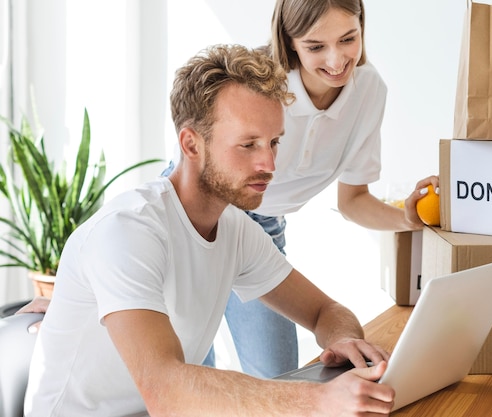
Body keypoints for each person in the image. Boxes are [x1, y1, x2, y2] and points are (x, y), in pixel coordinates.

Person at [23, 44, 395, 417]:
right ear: (191, 144)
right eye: (248, 144)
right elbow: (168, 391)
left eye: (274, 142)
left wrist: (344, 339)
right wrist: (317, 400)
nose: (268, 163)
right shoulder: (128, 232)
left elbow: (324, 311)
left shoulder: (233, 229)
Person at [190, 0, 439, 378]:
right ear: (289, 41)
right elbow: (199, 166)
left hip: (264, 228)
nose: (337, 60)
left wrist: (410, 220)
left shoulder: (368, 91)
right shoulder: (254, 83)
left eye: (348, 38)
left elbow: (353, 200)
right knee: (189, 371)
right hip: (199, 217)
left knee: (276, 375)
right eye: (315, 46)